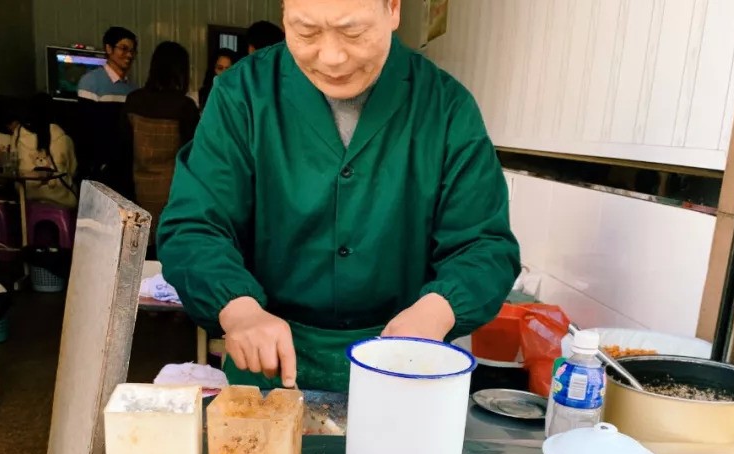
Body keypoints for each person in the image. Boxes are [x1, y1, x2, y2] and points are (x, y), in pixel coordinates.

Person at [158, 0, 520, 393]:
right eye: (306, 31)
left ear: (393, 9)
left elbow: (485, 245)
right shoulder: (242, 94)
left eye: (352, 32)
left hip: (403, 365)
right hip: (267, 364)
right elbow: (193, 225)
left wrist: (436, 311)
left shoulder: (446, 107)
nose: (331, 58)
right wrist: (237, 309)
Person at [119, 41, 200, 245]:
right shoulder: (184, 106)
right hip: (173, 195)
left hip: (136, 192)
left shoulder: (134, 100)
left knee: (140, 254)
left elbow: (122, 150)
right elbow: (195, 156)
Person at [0, 96, 78, 208]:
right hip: (61, 200)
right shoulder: (63, 138)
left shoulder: (18, 135)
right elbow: (72, 170)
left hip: (27, 197)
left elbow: (13, 164)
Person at [77, 26, 139, 186]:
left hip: (124, 169)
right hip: (98, 170)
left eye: (133, 51)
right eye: (124, 49)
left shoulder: (132, 90)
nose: (129, 55)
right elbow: (86, 130)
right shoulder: (90, 82)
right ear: (109, 49)